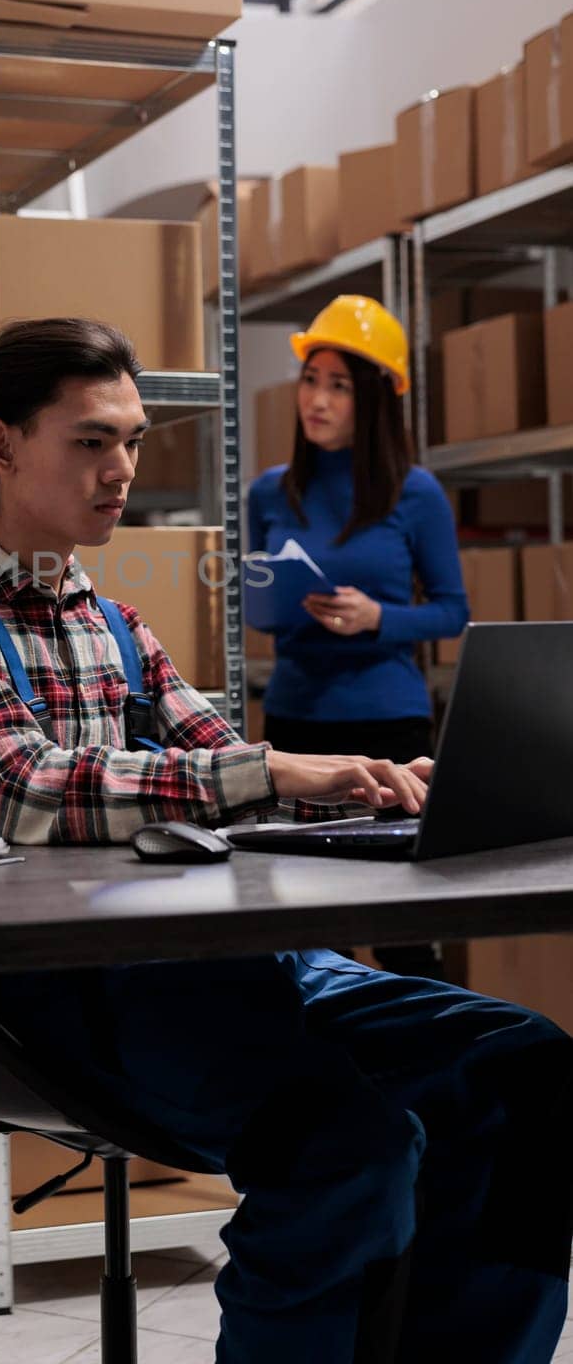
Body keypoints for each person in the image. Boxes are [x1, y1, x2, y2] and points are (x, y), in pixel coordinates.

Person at [0, 317, 572, 1364]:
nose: (121, 469)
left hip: (204, 956)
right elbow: (17, 788)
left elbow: (220, 766)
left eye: (132, 440)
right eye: (91, 440)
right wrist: (273, 766)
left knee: (522, 1065)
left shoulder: (115, 626)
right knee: (347, 1149)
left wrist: (383, 789)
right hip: (53, 985)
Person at [248, 295, 469, 978]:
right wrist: (281, 603)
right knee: (313, 935)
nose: (315, 399)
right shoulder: (268, 492)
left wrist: (379, 619)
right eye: (310, 380)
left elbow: (452, 611)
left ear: (372, 399)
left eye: (337, 386)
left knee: (404, 928)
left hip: (390, 732)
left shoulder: (416, 493)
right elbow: (257, 611)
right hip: (294, 729)